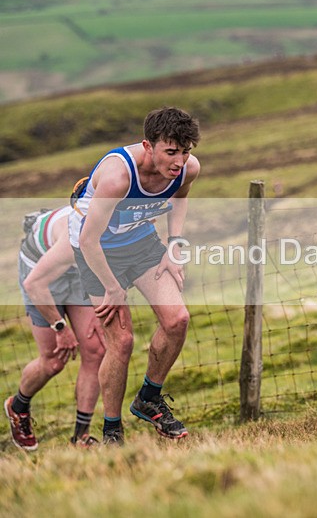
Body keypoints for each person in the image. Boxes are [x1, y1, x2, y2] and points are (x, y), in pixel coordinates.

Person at [69, 106, 201, 444]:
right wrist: (113, 288)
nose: (178, 161)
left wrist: (174, 246)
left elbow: (181, 198)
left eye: (185, 152)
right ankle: (112, 429)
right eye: (171, 151)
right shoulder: (118, 177)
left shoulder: (187, 170)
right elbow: (87, 240)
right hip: (95, 251)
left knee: (178, 320)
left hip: (140, 241)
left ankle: (148, 398)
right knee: (122, 342)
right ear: (148, 146)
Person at [5, 207, 106, 450]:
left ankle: (81, 437)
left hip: (77, 271)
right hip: (40, 273)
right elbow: (34, 284)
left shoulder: (119, 230)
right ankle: (18, 407)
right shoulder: (75, 238)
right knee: (53, 361)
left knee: (95, 350)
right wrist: (60, 328)